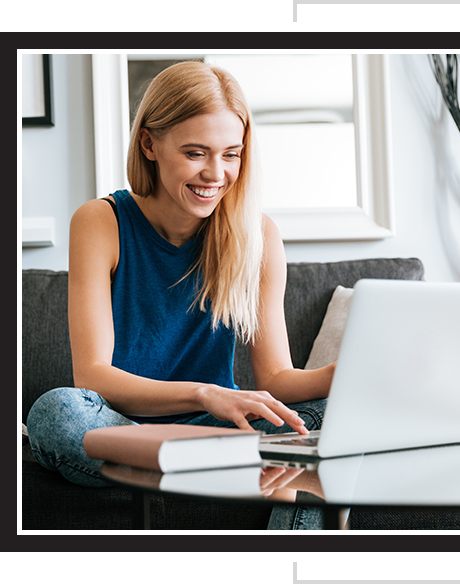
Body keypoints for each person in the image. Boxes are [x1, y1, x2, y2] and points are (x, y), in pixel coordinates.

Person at [27, 61, 335, 530]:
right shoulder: (100, 222)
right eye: (196, 153)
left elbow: (276, 377)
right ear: (149, 144)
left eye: (231, 154)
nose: (216, 173)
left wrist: (340, 375)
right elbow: (94, 377)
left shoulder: (259, 235)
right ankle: (236, 464)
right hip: (123, 429)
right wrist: (207, 394)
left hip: (217, 434)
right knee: (56, 412)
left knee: (330, 422)